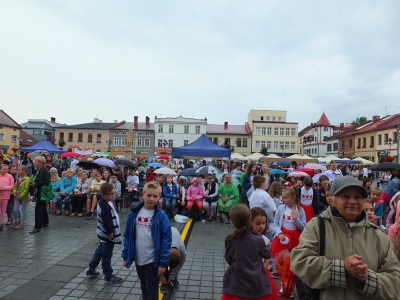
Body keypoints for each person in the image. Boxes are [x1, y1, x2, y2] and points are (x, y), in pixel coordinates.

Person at [291, 176, 400, 300]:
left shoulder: (378, 235)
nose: (352, 201)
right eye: (345, 196)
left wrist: (367, 279)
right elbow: (300, 262)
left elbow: (395, 281)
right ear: (332, 200)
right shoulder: (317, 226)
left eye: (358, 197)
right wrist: (342, 269)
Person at [121, 181, 172, 300]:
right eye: (149, 195)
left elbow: (166, 240)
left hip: (152, 259)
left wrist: (162, 263)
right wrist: (125, 256)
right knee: (144, 286)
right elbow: (128, 235)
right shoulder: (134, 213)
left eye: (155, 196)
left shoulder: (161, 215)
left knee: (152, 288)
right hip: (139, 258)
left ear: (159, 197)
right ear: (143, 194)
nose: (151, 199)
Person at [221, 204, 275, 300]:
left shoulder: (231, 239)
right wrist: (268, 246)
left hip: (237, 283)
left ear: (232, 222)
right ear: (249, 220)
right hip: (256, 283)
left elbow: (228, 259)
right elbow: (267, 254)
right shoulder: (258, 239)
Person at [86, 182, 123, 283]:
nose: (113, 195)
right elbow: (107, 223)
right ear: (103, 195)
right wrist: (111, 234)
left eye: (114, 193)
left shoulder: (105, 202)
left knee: (99, 252)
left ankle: (91, 269)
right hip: (107, 235)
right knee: (106, 255)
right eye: (111, 194)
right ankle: (108, 275)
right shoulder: (105, 207)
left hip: (102, 234)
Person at [249, 207, 279, 300]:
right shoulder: (246, 238)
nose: (261, 226)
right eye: (258, 224)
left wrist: (261, 271)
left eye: (264, 223)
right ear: (250, 223)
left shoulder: (265, 239)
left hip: (261, 272)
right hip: (248, 272)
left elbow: (267, 259)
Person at [270, 188, 306, 257]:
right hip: (283, 237)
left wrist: (296, 219)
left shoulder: (301, 210)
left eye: (286, 198)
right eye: (283, 198)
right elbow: (275, 223)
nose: (283, 200)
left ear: (293, 198)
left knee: (294, 258)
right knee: (282, 259)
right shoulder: (281, 208)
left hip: (296, 238)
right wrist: (279, 233)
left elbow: (304, 227)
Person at [160, 227, 186, 293]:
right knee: (163, 266)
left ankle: (173, 279)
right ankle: (165, 282)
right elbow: (155, 263)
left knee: (174, 267)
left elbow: (180, 264)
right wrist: (161, 277)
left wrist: (172, 276)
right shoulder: (160, 247)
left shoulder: (182, 250)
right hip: (164, 234)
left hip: (174, 231)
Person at [29, 156, 50, 234]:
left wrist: (36, 183)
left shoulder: (44, 170)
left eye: (36, 161)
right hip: (38, 191)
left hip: (42, 192)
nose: (35, 162)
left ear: (40, 162)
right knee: (43, 206)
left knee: (38, 209)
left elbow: (47, 181)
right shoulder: (37, 170)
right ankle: (45, 222)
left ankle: (38, 227)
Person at [0, 164, 16, 230]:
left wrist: (5, 188)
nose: (5, 170)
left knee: (3, 210)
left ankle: (1, 223)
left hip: (5, 195)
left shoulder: (10, 176)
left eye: (6, 169)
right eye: (3, 169)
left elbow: (12, 186)